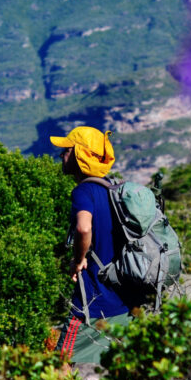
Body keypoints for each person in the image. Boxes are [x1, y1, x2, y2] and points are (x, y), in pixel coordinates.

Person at [50, 126, 132, 365]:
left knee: (61, 362)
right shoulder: (112, 190)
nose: (61, 156)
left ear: (79, 156)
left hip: (92, 300)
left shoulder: (83, 191)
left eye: (66, 151)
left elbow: (84, 227)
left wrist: (78, 259)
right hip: (122, 299)